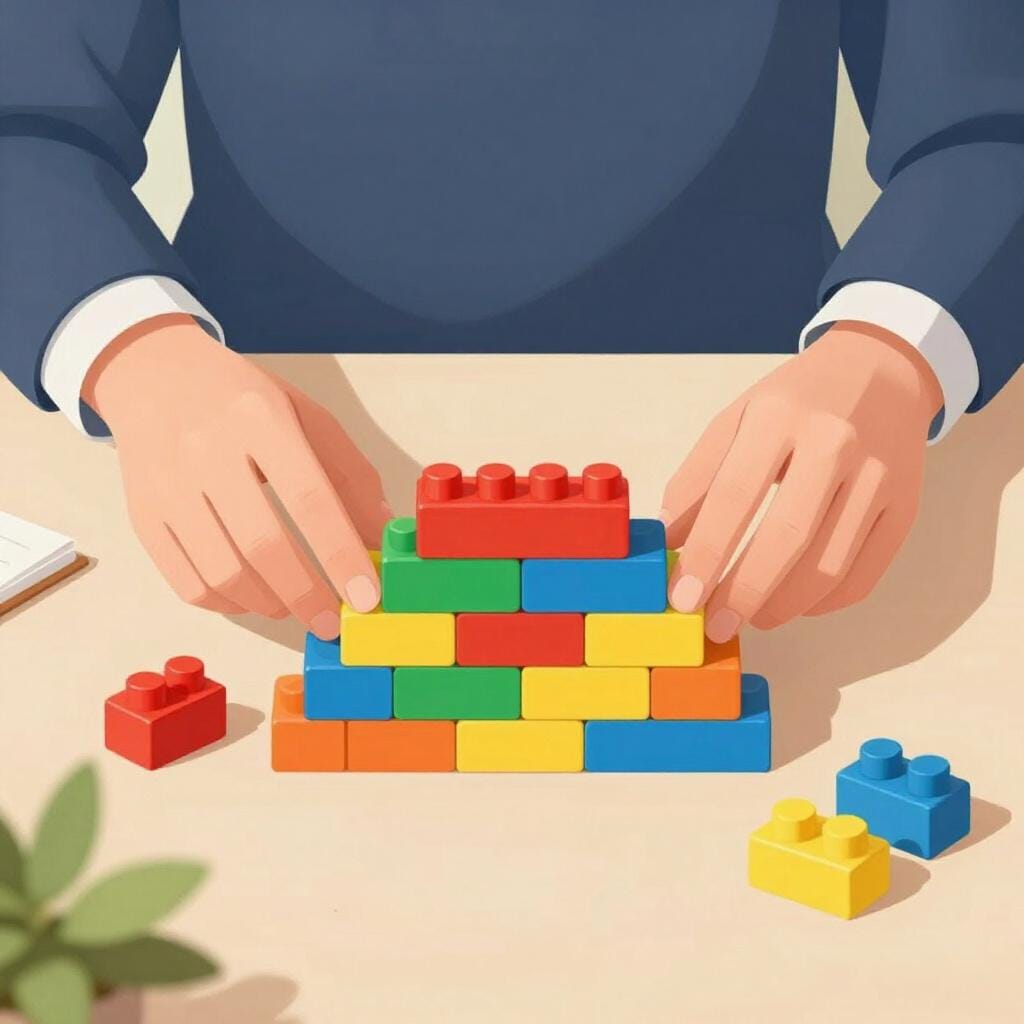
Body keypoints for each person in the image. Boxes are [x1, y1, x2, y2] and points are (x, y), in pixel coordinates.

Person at [2, 2, 1022, 644]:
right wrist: (138, 357)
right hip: (255, 485)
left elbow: (989, 124)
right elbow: (22, 123)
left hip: (753, 493)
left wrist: (891, 356)